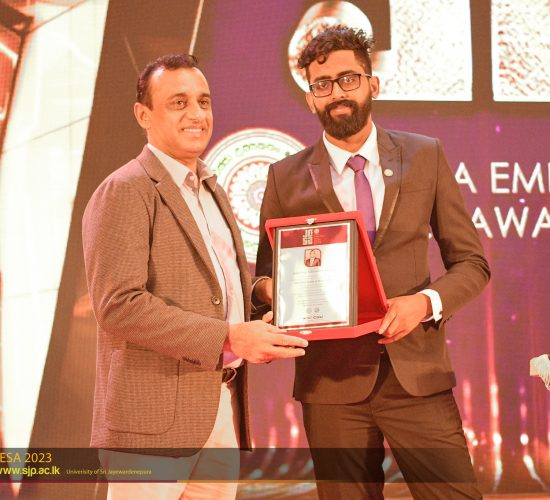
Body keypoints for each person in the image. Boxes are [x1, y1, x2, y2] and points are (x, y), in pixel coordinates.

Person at [255, 26, 490, 499]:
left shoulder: (425, 155)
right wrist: (279, 294)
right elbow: (263, 277)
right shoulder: (285, 177)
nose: (337, 93)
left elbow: (472, 263)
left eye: (348, 79)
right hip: (330, 384)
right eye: (322, 84)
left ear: (372, 84)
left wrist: (423, 304)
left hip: (417, 375)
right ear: (310, 98)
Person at [82, 53, 308, 500]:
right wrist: (229, 336)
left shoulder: (212, 190)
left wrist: (263, 294)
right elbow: (119, 306)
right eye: (178, 102)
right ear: (143, 115)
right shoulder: (125, 189)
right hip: (150, 427)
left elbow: (215, 291)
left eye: (203, 101)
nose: (197, 114)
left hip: (222, 409)